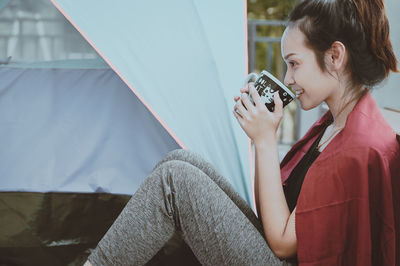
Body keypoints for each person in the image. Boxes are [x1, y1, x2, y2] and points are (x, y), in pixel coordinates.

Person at [84, 0, 400, 265]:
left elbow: (282, 244)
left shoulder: (358, 147)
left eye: (294, 64)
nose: (288, 79)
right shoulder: (334, 125)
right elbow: (275, 217)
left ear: (334, 56)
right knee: (180, 162)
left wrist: (264, 141)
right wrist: (263, 135)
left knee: (175, 180)